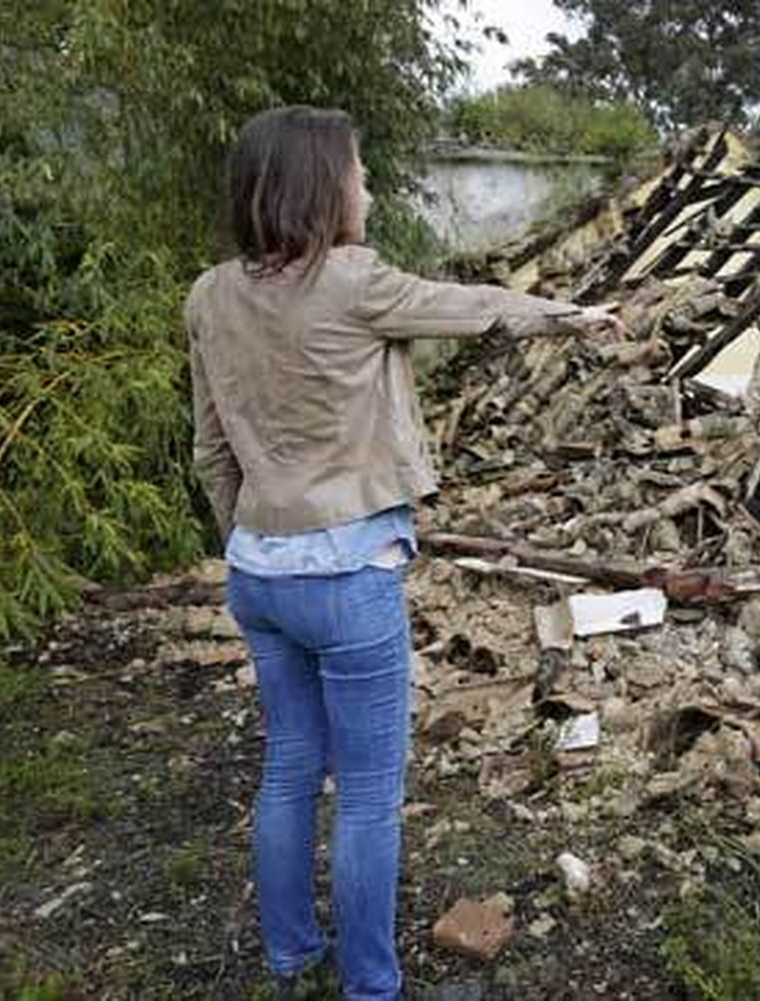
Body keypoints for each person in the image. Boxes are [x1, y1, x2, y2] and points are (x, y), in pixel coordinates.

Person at [183, 105, 619, 1000]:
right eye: (359, 171)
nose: (369, 187)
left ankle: (290, 955)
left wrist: (252, 539)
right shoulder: (351, 280)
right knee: (371, 792)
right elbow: (474, 309)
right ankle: (371, 987)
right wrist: (574, 315)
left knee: (289, 766)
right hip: (347, 575)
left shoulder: (209, 295)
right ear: (321, 186)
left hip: (260, 572)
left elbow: (210, 450)